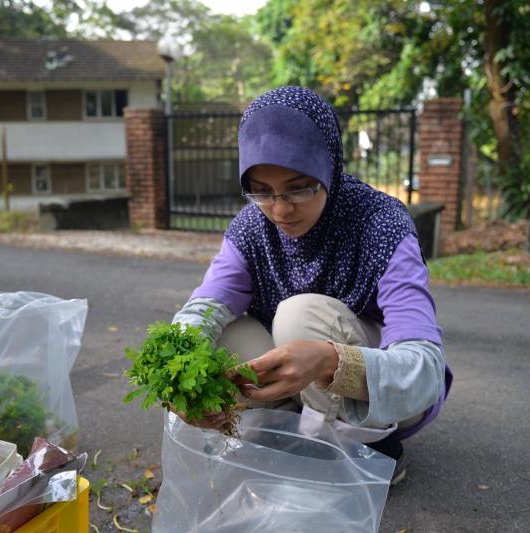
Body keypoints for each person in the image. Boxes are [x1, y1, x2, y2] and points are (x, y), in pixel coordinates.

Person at [172, 86, 453, 485]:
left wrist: (330, 361)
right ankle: (285, 428)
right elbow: (203, 307)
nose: (281, 209)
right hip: (303, 380)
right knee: (217, 335)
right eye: (262, 191)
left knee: (298, 314)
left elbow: (425, 369)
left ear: (330, 168)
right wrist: (182, 387)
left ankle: (367, 448)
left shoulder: (381, 224)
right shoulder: (252, 229)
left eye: (299, 187)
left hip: (384, 393)